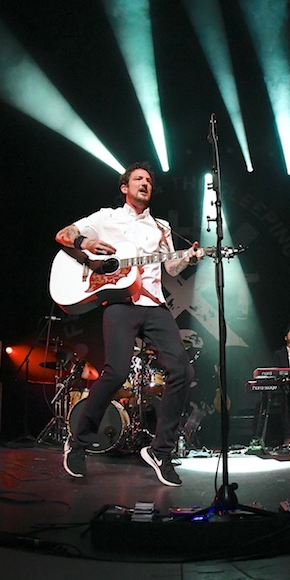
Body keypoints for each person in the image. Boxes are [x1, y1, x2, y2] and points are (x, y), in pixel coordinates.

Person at [56, 162, 200, 486]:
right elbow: (64, 235)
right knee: (116, 372)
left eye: (149, 180)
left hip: (155, 305)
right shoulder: (106, 218)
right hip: (121, 304)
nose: (145, 183)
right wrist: (86, 244)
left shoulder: (161, 227)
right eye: (138, 179)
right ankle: (77, 443)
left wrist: (188, 257)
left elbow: (171, 268)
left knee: (183, 370)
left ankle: (160, 451)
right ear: (125, 187)